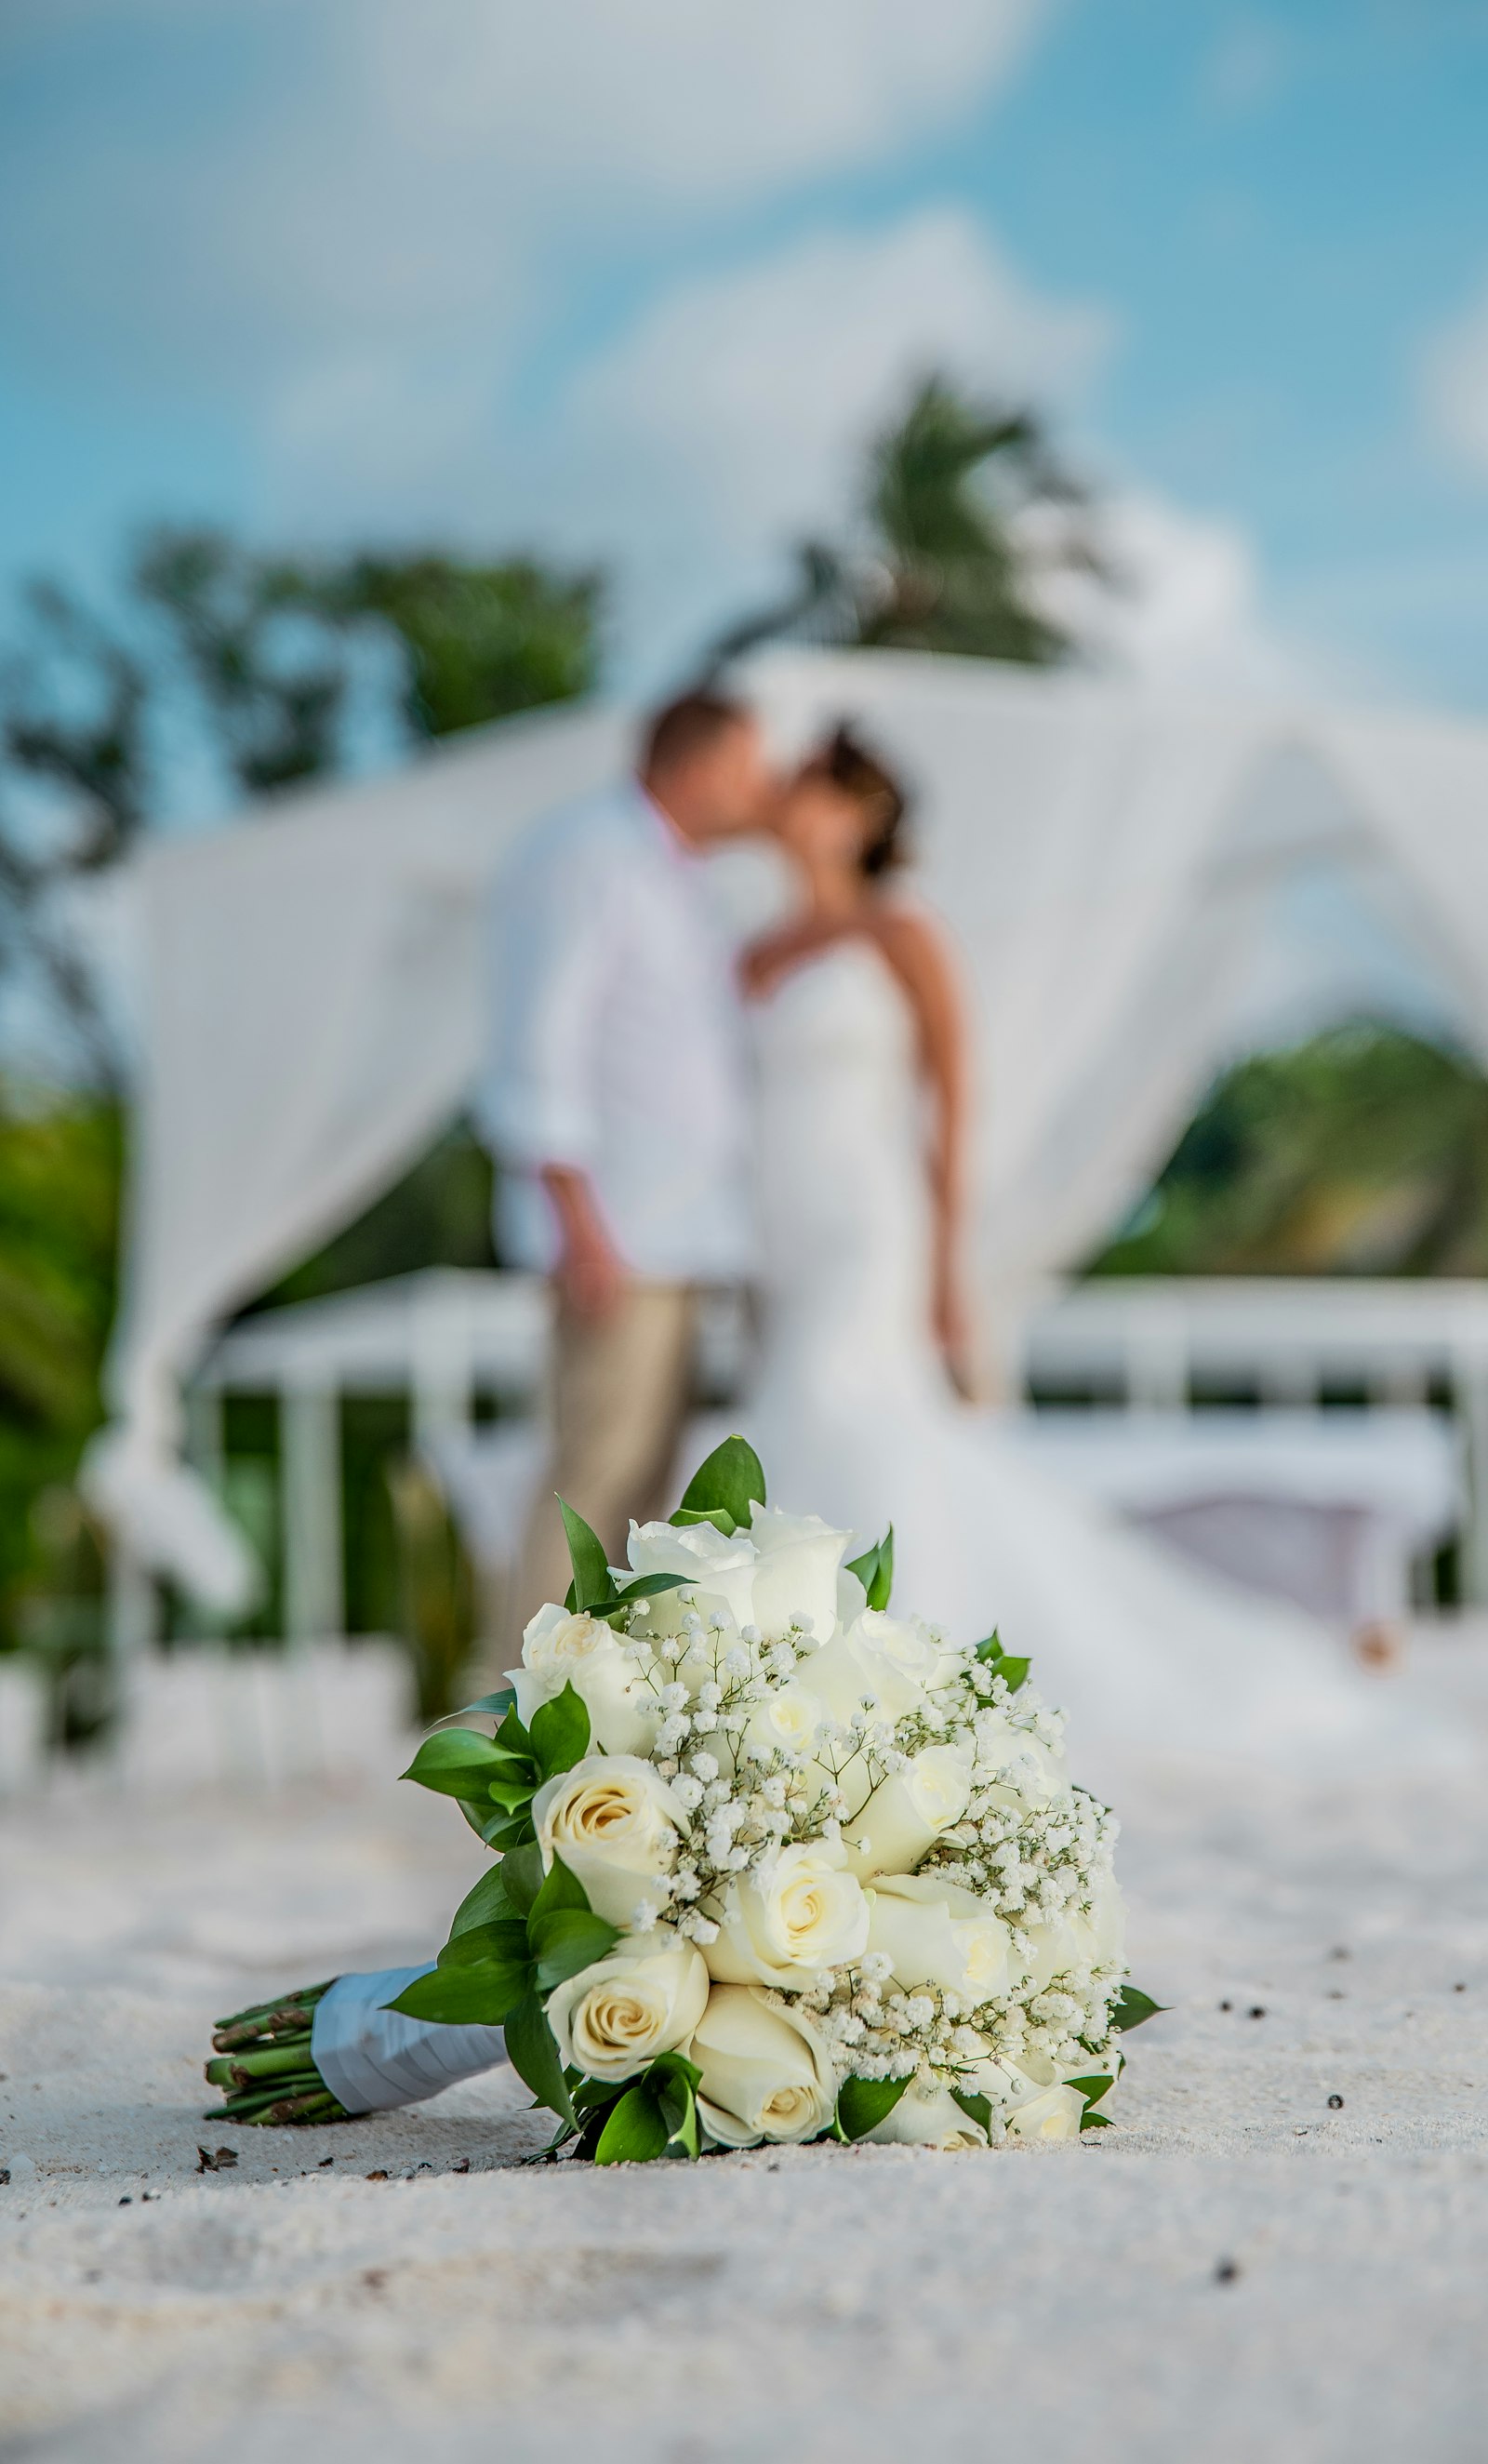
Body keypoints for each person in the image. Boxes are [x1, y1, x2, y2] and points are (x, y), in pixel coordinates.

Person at [736, 724, 1456, 1774]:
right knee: (810, 1415)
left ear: (858, 814)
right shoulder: (752, 950)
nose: (788, 799)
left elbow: (953, 1100)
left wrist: (944, 1268)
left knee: (843, 1408)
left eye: (808, 783)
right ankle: (813, 1666)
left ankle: (887, 1660)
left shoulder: (898, 934)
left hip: (863, 1222)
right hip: (776, 1227)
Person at [481, 687, 773, 1633]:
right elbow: (541, 1042)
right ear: (693, 764)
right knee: (590, 1478)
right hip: (618, 1231)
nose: (754, 791)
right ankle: (511, 1714)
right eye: (743, 769)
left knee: (644, 1492)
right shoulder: (586, 856)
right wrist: (579, 1225)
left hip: (679, 1231)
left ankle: (593, 1721)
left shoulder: (679, 879)